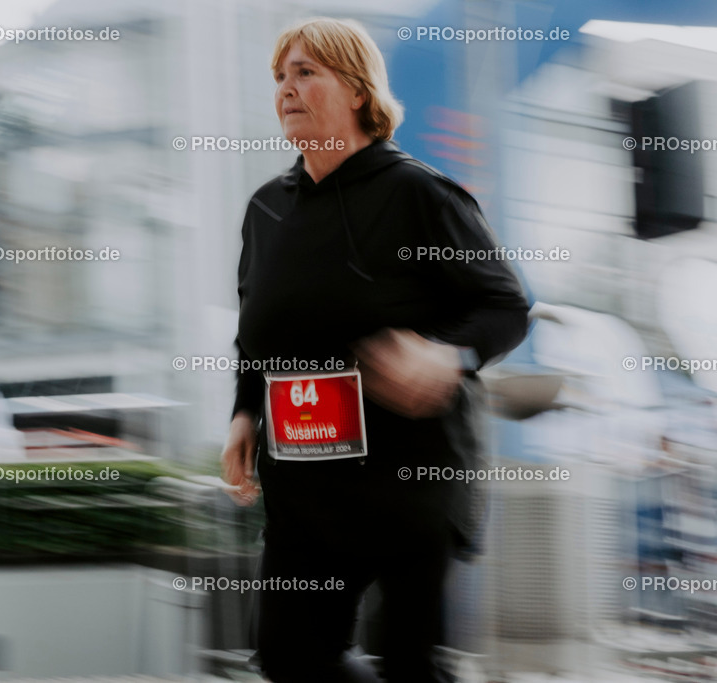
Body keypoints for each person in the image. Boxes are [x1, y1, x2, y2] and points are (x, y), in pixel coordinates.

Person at [220, 17, 529, 683]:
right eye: (279, 76)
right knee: (290, 657)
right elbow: (256, 329)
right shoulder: (266, 209)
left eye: (306, 72)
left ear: (359, 91)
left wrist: (446, 356)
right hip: (305, 485)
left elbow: (504, 307)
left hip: (410, 481)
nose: (286, 89)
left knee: (411, 664)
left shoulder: (418, 193)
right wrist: (245, 414)